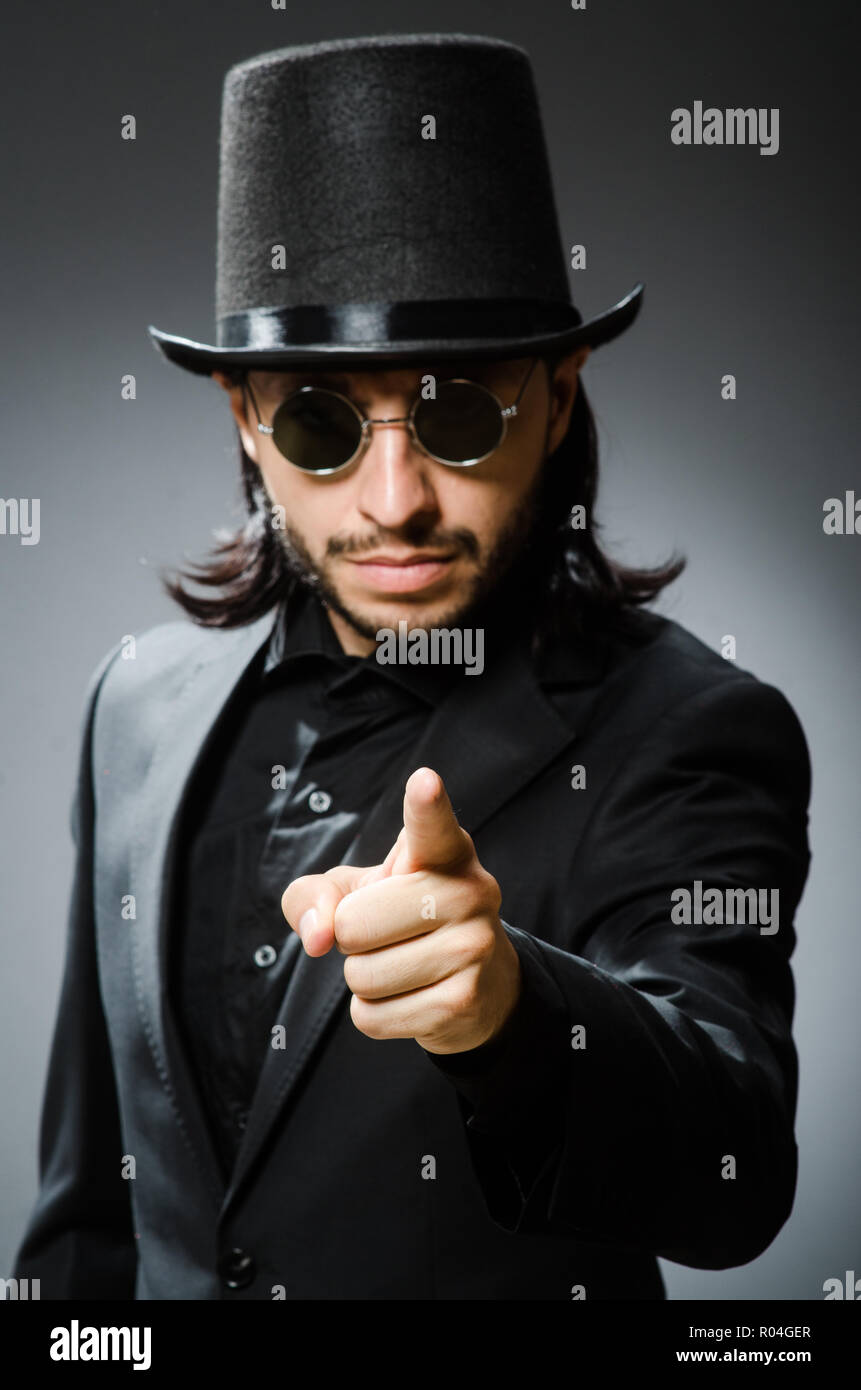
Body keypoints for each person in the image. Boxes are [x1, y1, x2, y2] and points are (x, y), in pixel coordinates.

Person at [13, 33, 811, 1301]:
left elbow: (734, 1166)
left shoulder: (695, 726)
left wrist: (511, 1013)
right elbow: (88, 1210)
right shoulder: (136, 708)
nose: (397, 502)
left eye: (458, 413)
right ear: (245, 421)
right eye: (323, 423)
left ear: (558, 397)